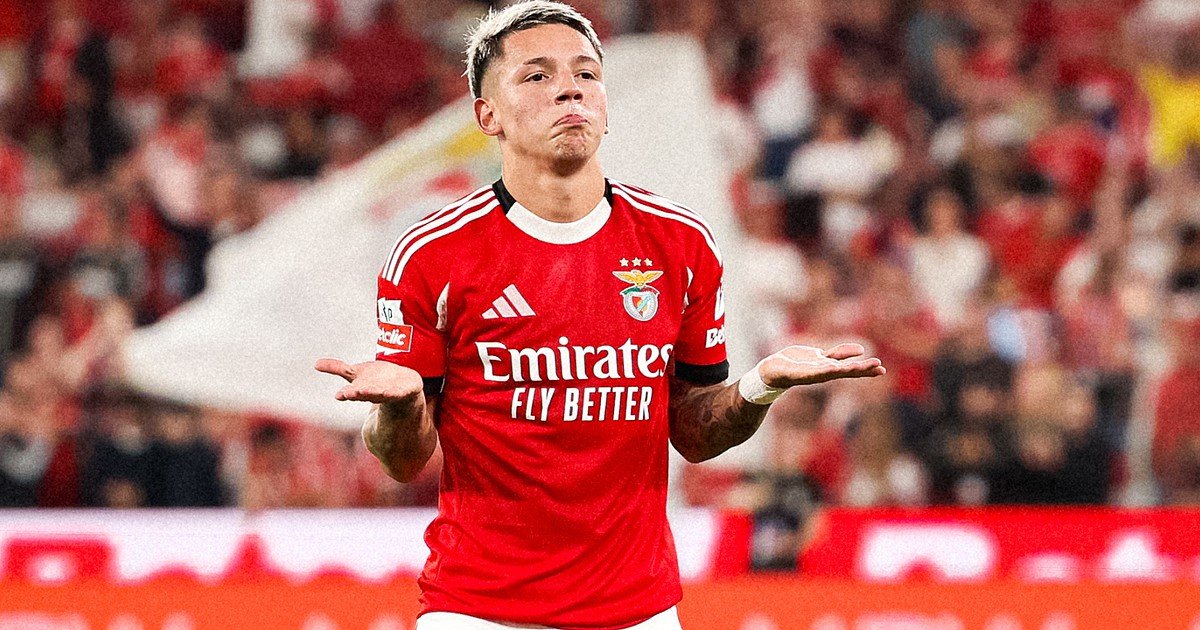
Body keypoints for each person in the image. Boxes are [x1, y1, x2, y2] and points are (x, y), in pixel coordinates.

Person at [315, 2, 885, 629]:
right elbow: (401, 460)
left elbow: (694, 435)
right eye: (537, 75)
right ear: (488, 115)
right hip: (480, 611)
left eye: (586, 73)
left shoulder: (680, 244)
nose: (570, 89)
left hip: (638, 612)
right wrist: (399, 408)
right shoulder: (432, 253)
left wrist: (758, 387)